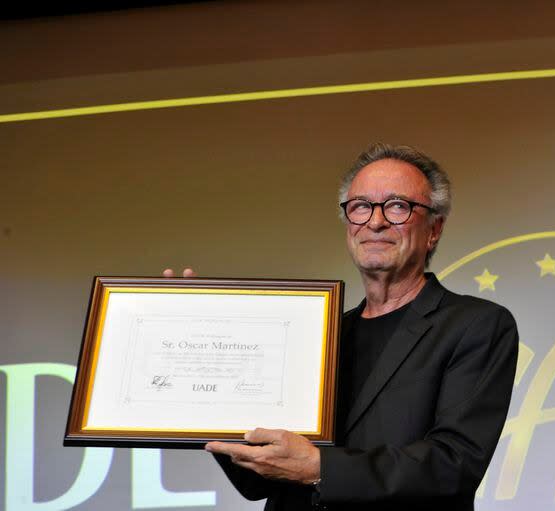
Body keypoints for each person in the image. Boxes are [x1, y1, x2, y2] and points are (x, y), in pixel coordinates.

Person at [170, 143, 519, 510]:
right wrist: (196, 358)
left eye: (398, 206)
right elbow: (258, 481)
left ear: (434, 228)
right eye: (361, 207)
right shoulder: (317, 336)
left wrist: (320, 469)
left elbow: (453, 464)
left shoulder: (475, 325)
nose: (375, 221)